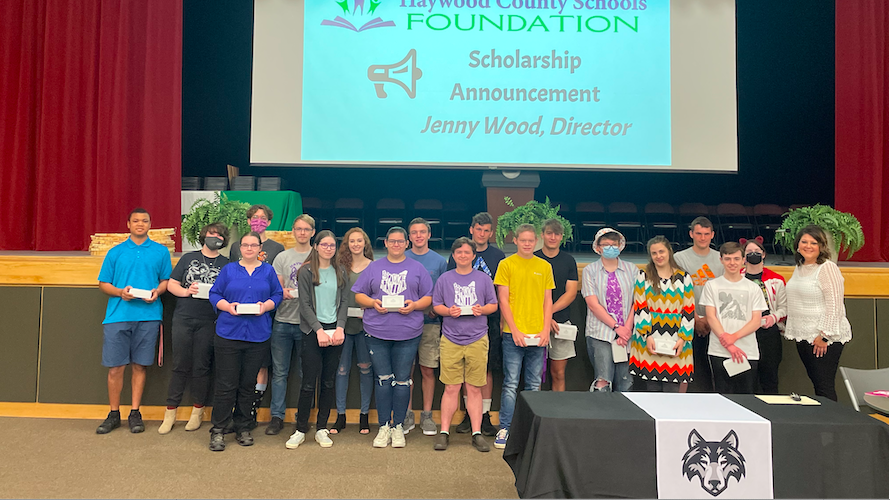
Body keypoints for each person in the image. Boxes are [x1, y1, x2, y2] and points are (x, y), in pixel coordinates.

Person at [352, 227, 433, 448]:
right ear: (385, 243)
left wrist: (415, 305)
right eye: (392, 241)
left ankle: (398, 426)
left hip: (408, 333)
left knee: (402, 381)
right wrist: (373, 303)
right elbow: (359, 294)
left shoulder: (417, 268)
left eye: (400, 241)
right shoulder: (374, 267)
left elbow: (429, 297)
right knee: (383, 379)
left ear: (407, 244)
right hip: (377, 332)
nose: (396, 245)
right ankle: (383, 426)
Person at [95, 208, 172, 434]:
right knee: (115, 368)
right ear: (128, 224)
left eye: (144, 221)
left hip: (149, 317)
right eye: (136, 221)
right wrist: (120, 292)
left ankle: (135, 412)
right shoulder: (115, 252)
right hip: (118, 316)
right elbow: (103, 284)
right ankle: (113, 413)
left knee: (140, 365)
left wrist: (157, 291)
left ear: (150, 224)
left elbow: (165, 280)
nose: (140, 224)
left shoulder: (160, 252)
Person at [207, 232, 283, 451]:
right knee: (226, 385)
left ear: (260, 249)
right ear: (240, 248)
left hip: (257, 335)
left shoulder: (268, 271)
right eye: (245, 245)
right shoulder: (229, 270)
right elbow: (214, 294)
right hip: (228, 334)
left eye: (253, 245)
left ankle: (243, 426)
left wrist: (265, 306)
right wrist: (227, 306)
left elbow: (277, 295)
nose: (249, 248)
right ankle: (218, 429)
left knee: (248, 385)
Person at [159, 222, 229, 434]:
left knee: (202, 366)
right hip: (184, 317)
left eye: (219, 235)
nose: (215, 237)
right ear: (204, 236)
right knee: (179, 365)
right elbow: (172, 283)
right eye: (211, 233)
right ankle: (170, 412)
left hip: (209, 320)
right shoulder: (188, 258)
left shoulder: (227, 264)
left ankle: (197, 411)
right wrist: (186, 292)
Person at [432, 238, 498, 452]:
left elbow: (493, 305)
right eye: (459, 252)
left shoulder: (483, 279)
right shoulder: (444, 279)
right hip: (450, 339)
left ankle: (476, 433)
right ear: (453, 255)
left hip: (477, 339)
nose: (463, 255)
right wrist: (448, 311)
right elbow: (436, 305)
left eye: (467, 252)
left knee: (474, 388)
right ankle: (444, 432)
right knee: (451, 387)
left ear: (473, 256)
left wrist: (482, 310)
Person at [285, 231, 348, 449]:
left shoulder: (340, 270)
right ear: (316, 246)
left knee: (329, 382)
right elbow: (304, 305)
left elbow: (344, 302)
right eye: (325, 245)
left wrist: (340, 327)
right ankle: (301, 429)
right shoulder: (306, 271)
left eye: (332, 245)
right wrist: (318, 330)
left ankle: (322, 428)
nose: (329, 248)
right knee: (308, 383)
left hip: (335, 332)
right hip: (312, 332)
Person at [493, 224, 554, 449]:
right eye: (523, 240)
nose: (527, 244)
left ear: (536, 241)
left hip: (538, 335)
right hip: (513, 335)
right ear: (515, 240)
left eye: (531, 240)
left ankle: (532, 429)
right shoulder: (506, 264)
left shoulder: (544, 266)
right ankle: (506, 428)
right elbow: (503, 300)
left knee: (534, 384)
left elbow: (548, 300)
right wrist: (514, 330)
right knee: (510, 383)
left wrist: (545, 330)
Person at [227, 204, 285, 428]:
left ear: (269, 222)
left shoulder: (277, 247)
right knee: (238, 365)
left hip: (265, 315)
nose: (258, 220)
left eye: (262, 218)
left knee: (261, 364)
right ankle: (237, 409)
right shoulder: (236, 246)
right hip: (238, 316)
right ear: (248, 220)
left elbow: (277, 284)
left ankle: (253, 406)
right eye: (254, 217)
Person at [447, 212, 505, 436]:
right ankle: (467, 415)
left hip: (489, 321)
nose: (482, 233)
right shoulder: (458, 253)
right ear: (471, 229)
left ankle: (484, 414)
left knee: (485, 369)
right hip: (459, 322)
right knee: (463, 371)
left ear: (491, 233)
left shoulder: (498, 256)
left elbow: (501, 290)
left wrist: (499, 318)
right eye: (478, 229)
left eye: (486, 230)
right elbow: (449, 285)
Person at [784, 225, 852, 401]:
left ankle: (833, 419)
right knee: (817, 383)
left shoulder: (827, 268)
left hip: (822, 338)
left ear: (821, 246)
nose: (808, 246)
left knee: (824, 385)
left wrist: (825, 336)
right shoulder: (800, 267)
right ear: (797, 245)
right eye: (804, 242)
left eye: (813, 243)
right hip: (803, 335)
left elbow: (835, 304)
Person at [265, 215, 315, 435]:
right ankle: (276, 417)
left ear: (313, 232)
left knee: (307, 373)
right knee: (279, 373)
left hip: (308, 324)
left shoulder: (318, 256)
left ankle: (302, 418)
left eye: (306, 229)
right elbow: (277, 287)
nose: (302, 233)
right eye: (298, 229)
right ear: (293, 231)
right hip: (283, 321)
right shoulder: (282, 257)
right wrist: (282, 291)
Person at [629, 236, 695, 392]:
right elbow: (640, 306)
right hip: (650, 338)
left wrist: (683, 338)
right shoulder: (643, 276)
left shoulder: (684, 278)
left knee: (672, 390)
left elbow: (689, 310)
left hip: (676, 339)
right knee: (652, 389)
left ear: (669, 251)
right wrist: (647, 335)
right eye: (654, 253)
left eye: (661, 251)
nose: (658, 256)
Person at [701, 242, 767, 394]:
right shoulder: (712, 286)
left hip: (747, 351)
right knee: (722, 395)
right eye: (728, 259)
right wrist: (728, 343)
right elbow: (711, 317)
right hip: (719, 350)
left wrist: (734, 337)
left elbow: (756, 321)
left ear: (743, 260)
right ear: (721, 260)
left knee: (746, 396)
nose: (732, 263)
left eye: (736, 259)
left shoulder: (753, 288)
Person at [405, 217, 448, 435]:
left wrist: (436, 308)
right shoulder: (402, 258)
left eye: (422, 232)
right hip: (403, 324)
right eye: (414, 232)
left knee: (428, 369)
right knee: (406, 371)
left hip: (430, 323)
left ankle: (427, 415)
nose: (418, 236)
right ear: (409, 236)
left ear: (429, 235)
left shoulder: (439, 261)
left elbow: (444, 289)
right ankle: (406, 414)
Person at [581, 228, 636, 392]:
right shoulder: (589, 271)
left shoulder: (632, 269)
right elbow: (593, 304)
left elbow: (638, 301)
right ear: (598, 247)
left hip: (627, 334)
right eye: (605, 244)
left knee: (626, 382)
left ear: (620, 245)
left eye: (614, 244)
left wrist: (626, 329)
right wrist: (616, 327)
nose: (610, 247)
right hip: (600, 333)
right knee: (603, 381)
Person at [331, 227, 375, 435]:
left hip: (366, 325)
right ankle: (340, 416)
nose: (356, 244)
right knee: (341, 370)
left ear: (365, 243)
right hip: (342, 325)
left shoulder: (374, 267)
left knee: (366, 369)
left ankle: (364, 416)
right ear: (346, 244)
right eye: (352, 241)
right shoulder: (339, 267)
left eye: (359, 240)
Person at [674, 216, 724, 392]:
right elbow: (678, 292)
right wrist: (695, 318)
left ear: (712, 235)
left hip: (716, 321)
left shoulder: (721, 259)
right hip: (687, 320)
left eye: (706, 234)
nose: (702, 238)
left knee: (713, 367)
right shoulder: (679, 258)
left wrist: (710, 319)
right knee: (688, 367)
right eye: (698, 234)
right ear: (691, 234)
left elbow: (724, 291)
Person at [533, 219, 578, 392]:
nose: (553, 237)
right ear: (542, 235)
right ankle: (535, 407)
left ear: (561, 237)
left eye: (557, 234)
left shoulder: (569, 260)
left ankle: (559, 408)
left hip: (561, 324)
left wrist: (548, 313)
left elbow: (571, 293)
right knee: (534, 374)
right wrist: (544, 318)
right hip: (534, 323)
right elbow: (528, 293)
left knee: (558, 373)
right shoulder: (533, 259)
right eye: (549, 233)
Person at [741, 237, 787, 394]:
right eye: (749, 252)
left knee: (769, 377)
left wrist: (773, 318)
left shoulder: (776, 280)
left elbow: (784, 308)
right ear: (743, 256)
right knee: (746, 376)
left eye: (757, 251)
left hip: (768, 331)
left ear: (764, 254)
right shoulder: (736, 278)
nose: (753, 254)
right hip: (744, 331)